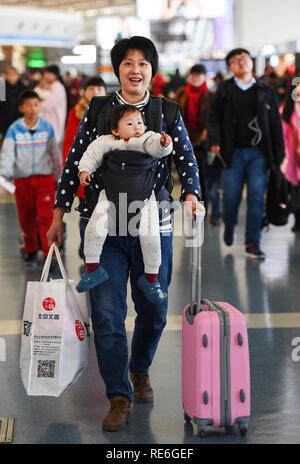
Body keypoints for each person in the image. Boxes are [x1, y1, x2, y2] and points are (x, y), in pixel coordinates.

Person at [46, 36, 203, 432]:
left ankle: (140, 368)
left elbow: (185, 156)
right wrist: (57, 214)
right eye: (128, 63)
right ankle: (118, 395)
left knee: (154, 310)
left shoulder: (166, 110)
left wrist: (192, 194)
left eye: (143, 64)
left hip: (153, 220)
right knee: (107, 314)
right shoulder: (99, 110)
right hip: (104, 225)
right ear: (118, 69)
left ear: (152, 70)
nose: (136, 70)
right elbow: (75, 162)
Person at [76, 103, 172, 304]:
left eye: (140, 122)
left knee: (151, 237)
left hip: (145, 201)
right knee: (94, 229)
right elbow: (90, 156)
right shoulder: (106, 142)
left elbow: (158, 148)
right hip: (109, 198)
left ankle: (151, 280)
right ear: (115, 130)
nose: (137, 126)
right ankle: (93, 270)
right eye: (130, 123)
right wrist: (84, 171)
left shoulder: (147, 139)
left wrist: (164, 144)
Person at [207, 48, 285, 260]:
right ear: (230, 68)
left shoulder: (265, 90)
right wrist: (214, 141)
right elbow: (212, 118)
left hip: (258, 154)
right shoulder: (224, 91)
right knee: (231, 197)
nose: (240, 63)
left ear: (251, 62)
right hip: (232, 154)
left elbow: (275, 124)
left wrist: (279, 153)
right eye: (235, 61)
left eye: (244, 59)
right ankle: (229, 223)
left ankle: (253, 242)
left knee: (256, 198)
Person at [0, 89, 62, 266]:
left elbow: (55, 155)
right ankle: (30, 250)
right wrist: (5, 174)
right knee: (26, 217)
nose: (33, 108)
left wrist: (59, 177)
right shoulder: (15, 129)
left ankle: (48, 252)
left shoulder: (47, 127)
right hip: (22, 180)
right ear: (21, 108)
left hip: (44, 179)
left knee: (45, 217)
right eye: (28, 105)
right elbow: (8, 154)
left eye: (36, 104)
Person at [176, 64, 222, 224]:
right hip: (186, 142)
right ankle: (195, 212)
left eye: (199, 76)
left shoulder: (211, 95)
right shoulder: (182, 93)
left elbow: (216, 119)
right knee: (191, 180)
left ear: (204, 77)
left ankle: (214, 213)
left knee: (209, 181)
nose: (195, 79)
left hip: (206, 143)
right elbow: (176, 116)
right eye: (193, 75)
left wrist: (207, 133)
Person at [62, 75, 107, 201]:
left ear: (104, 91)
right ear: (84, 92)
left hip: (106, 165)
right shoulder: (75, 112)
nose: (95, 92)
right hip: (83, 163)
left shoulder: (112, 111)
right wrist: (67, 164)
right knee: (86, 204)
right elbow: (69, 140)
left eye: (99, 88)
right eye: (91, 89)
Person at [281, 82, 300, 231]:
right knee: (295, 189)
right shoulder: (287, 112)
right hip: (294, 158)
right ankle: (298, 219)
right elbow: (283, 136)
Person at [34, 65, 67, 145]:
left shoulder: (58, 88)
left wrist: (38, 103)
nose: (45, 75)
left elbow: (46, 105)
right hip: (46, 124)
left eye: (48, 73)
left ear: (54, 75)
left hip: (53, 123)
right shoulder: (49, 86)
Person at [0, 67, 26, 145]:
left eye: (13, 74)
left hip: (20, 121)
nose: (11, 77)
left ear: (17, 76)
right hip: (5, 122)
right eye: (9, 74)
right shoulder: (2, 88)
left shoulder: (23, 88)